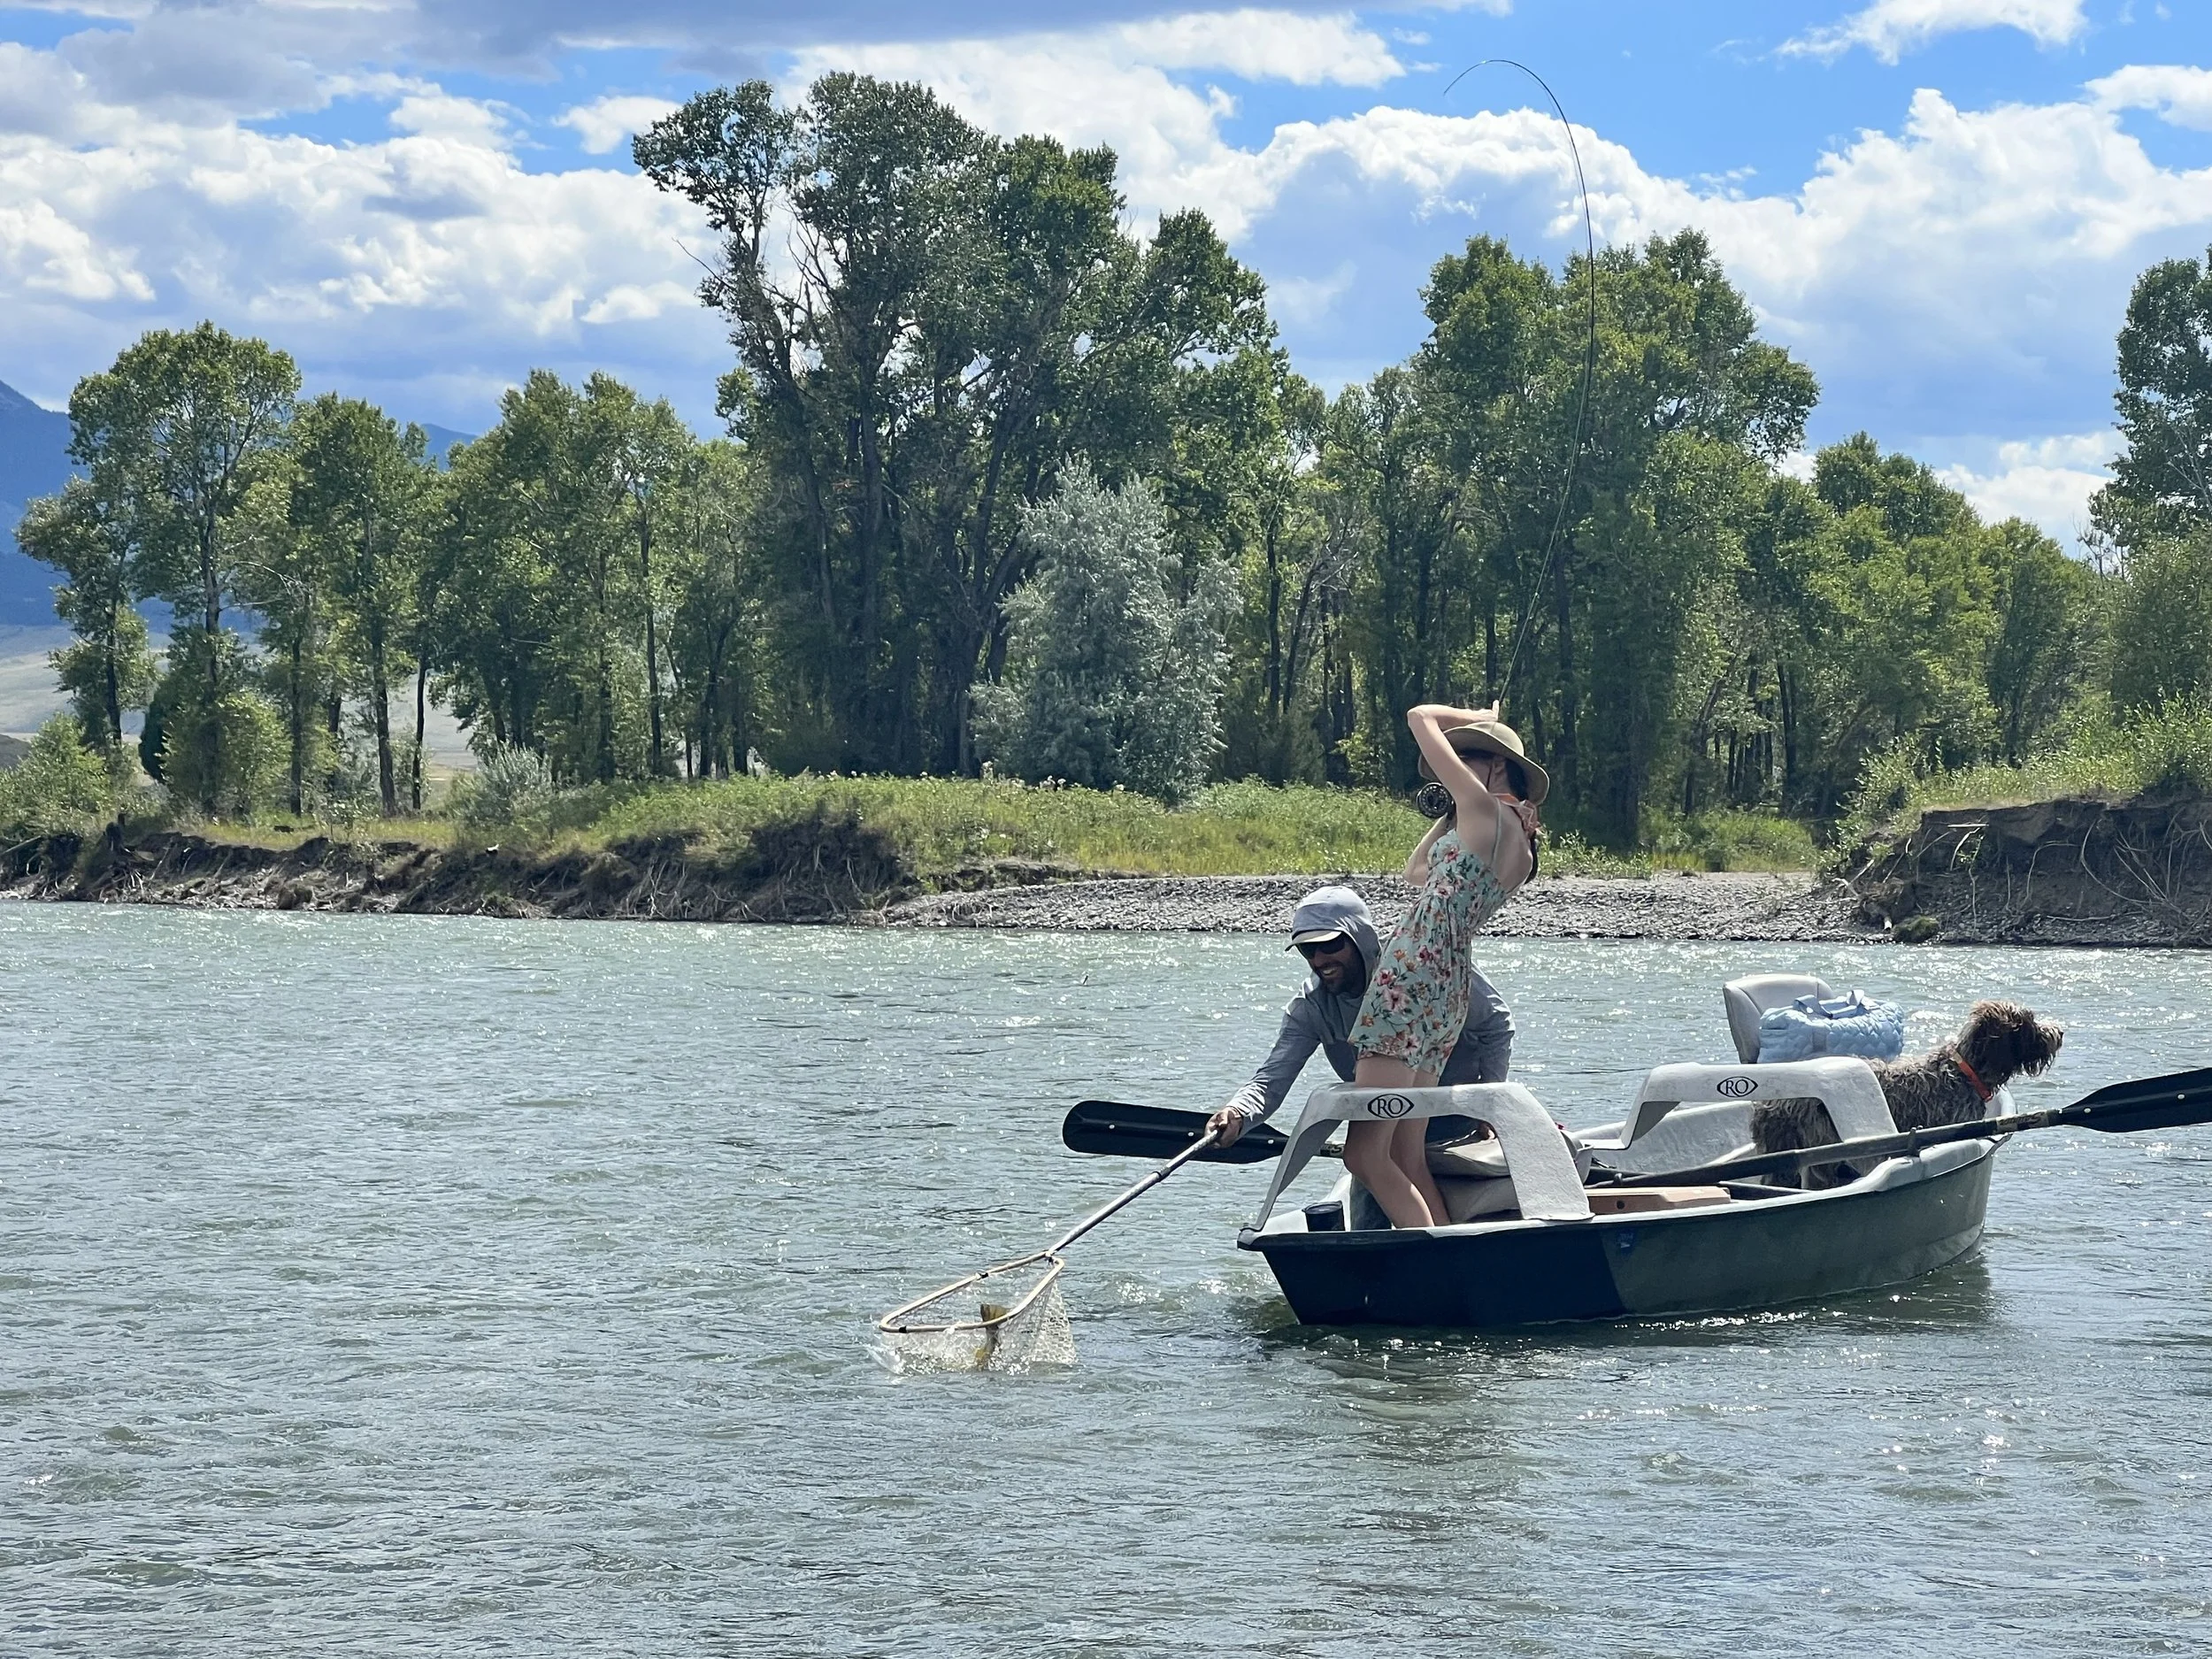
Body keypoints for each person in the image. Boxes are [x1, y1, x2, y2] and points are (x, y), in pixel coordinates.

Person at [1346, 703, 1543, 1229]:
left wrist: (1469, 713)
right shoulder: (1514, 837)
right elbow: (1415, 872)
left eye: (1462, 759)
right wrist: (1449, 816)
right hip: (1450, 986)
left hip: (1409, 976)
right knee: (1407, 1156)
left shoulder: (1481, 809)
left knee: (1364, 1154)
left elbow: (1416, 716)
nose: (1448, 770)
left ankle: (1429, 1257)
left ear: (1495, 765)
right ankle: (1447, 1250)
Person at [1205, 886, 1515, 1156]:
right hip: (1380, 1122)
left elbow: (1497, 1025)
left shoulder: (1417, 970)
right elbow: (1273, 1076)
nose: (1319, 960)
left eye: (1329, 945)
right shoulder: (1311, 1006)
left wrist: (1488, 1105)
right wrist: (1238, 1112)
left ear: (1360, 939)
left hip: (1460, 1112)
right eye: (1307, 949)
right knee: (1368, 1181)